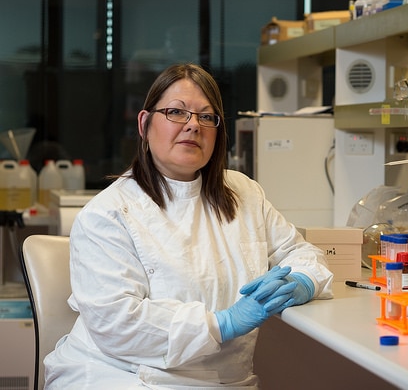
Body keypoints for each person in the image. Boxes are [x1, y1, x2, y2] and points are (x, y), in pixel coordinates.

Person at [44, 63, 334, 389]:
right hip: (122, 375)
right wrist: (222, 324)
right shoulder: (108, 213)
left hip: (225, 380)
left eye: (206, 117)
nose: (193, 126)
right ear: (144, 123)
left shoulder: (243, 193)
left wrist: (301, 281)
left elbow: (302, 252)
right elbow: (118, 324)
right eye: (176, 112)